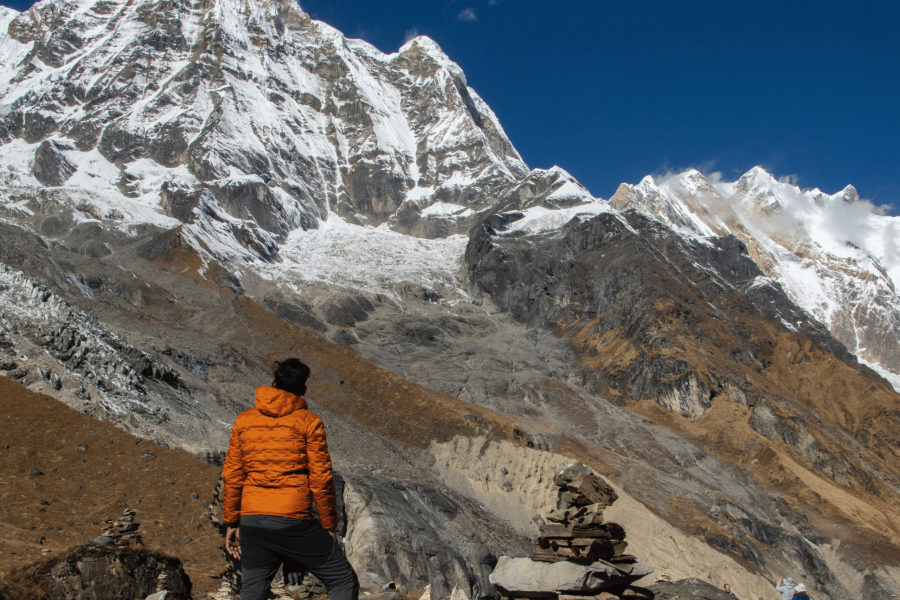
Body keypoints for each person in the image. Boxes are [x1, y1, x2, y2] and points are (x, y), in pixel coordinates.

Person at [222, 358, 359, 600]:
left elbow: (233, 474)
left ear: (273, 383)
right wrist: (329, 526)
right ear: (303, 391)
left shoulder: (244, 421)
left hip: (252, 521)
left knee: (252, 589)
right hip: (292, 519)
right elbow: (321, 479)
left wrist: (232, 522)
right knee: (342, 579)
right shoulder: (309, 423)